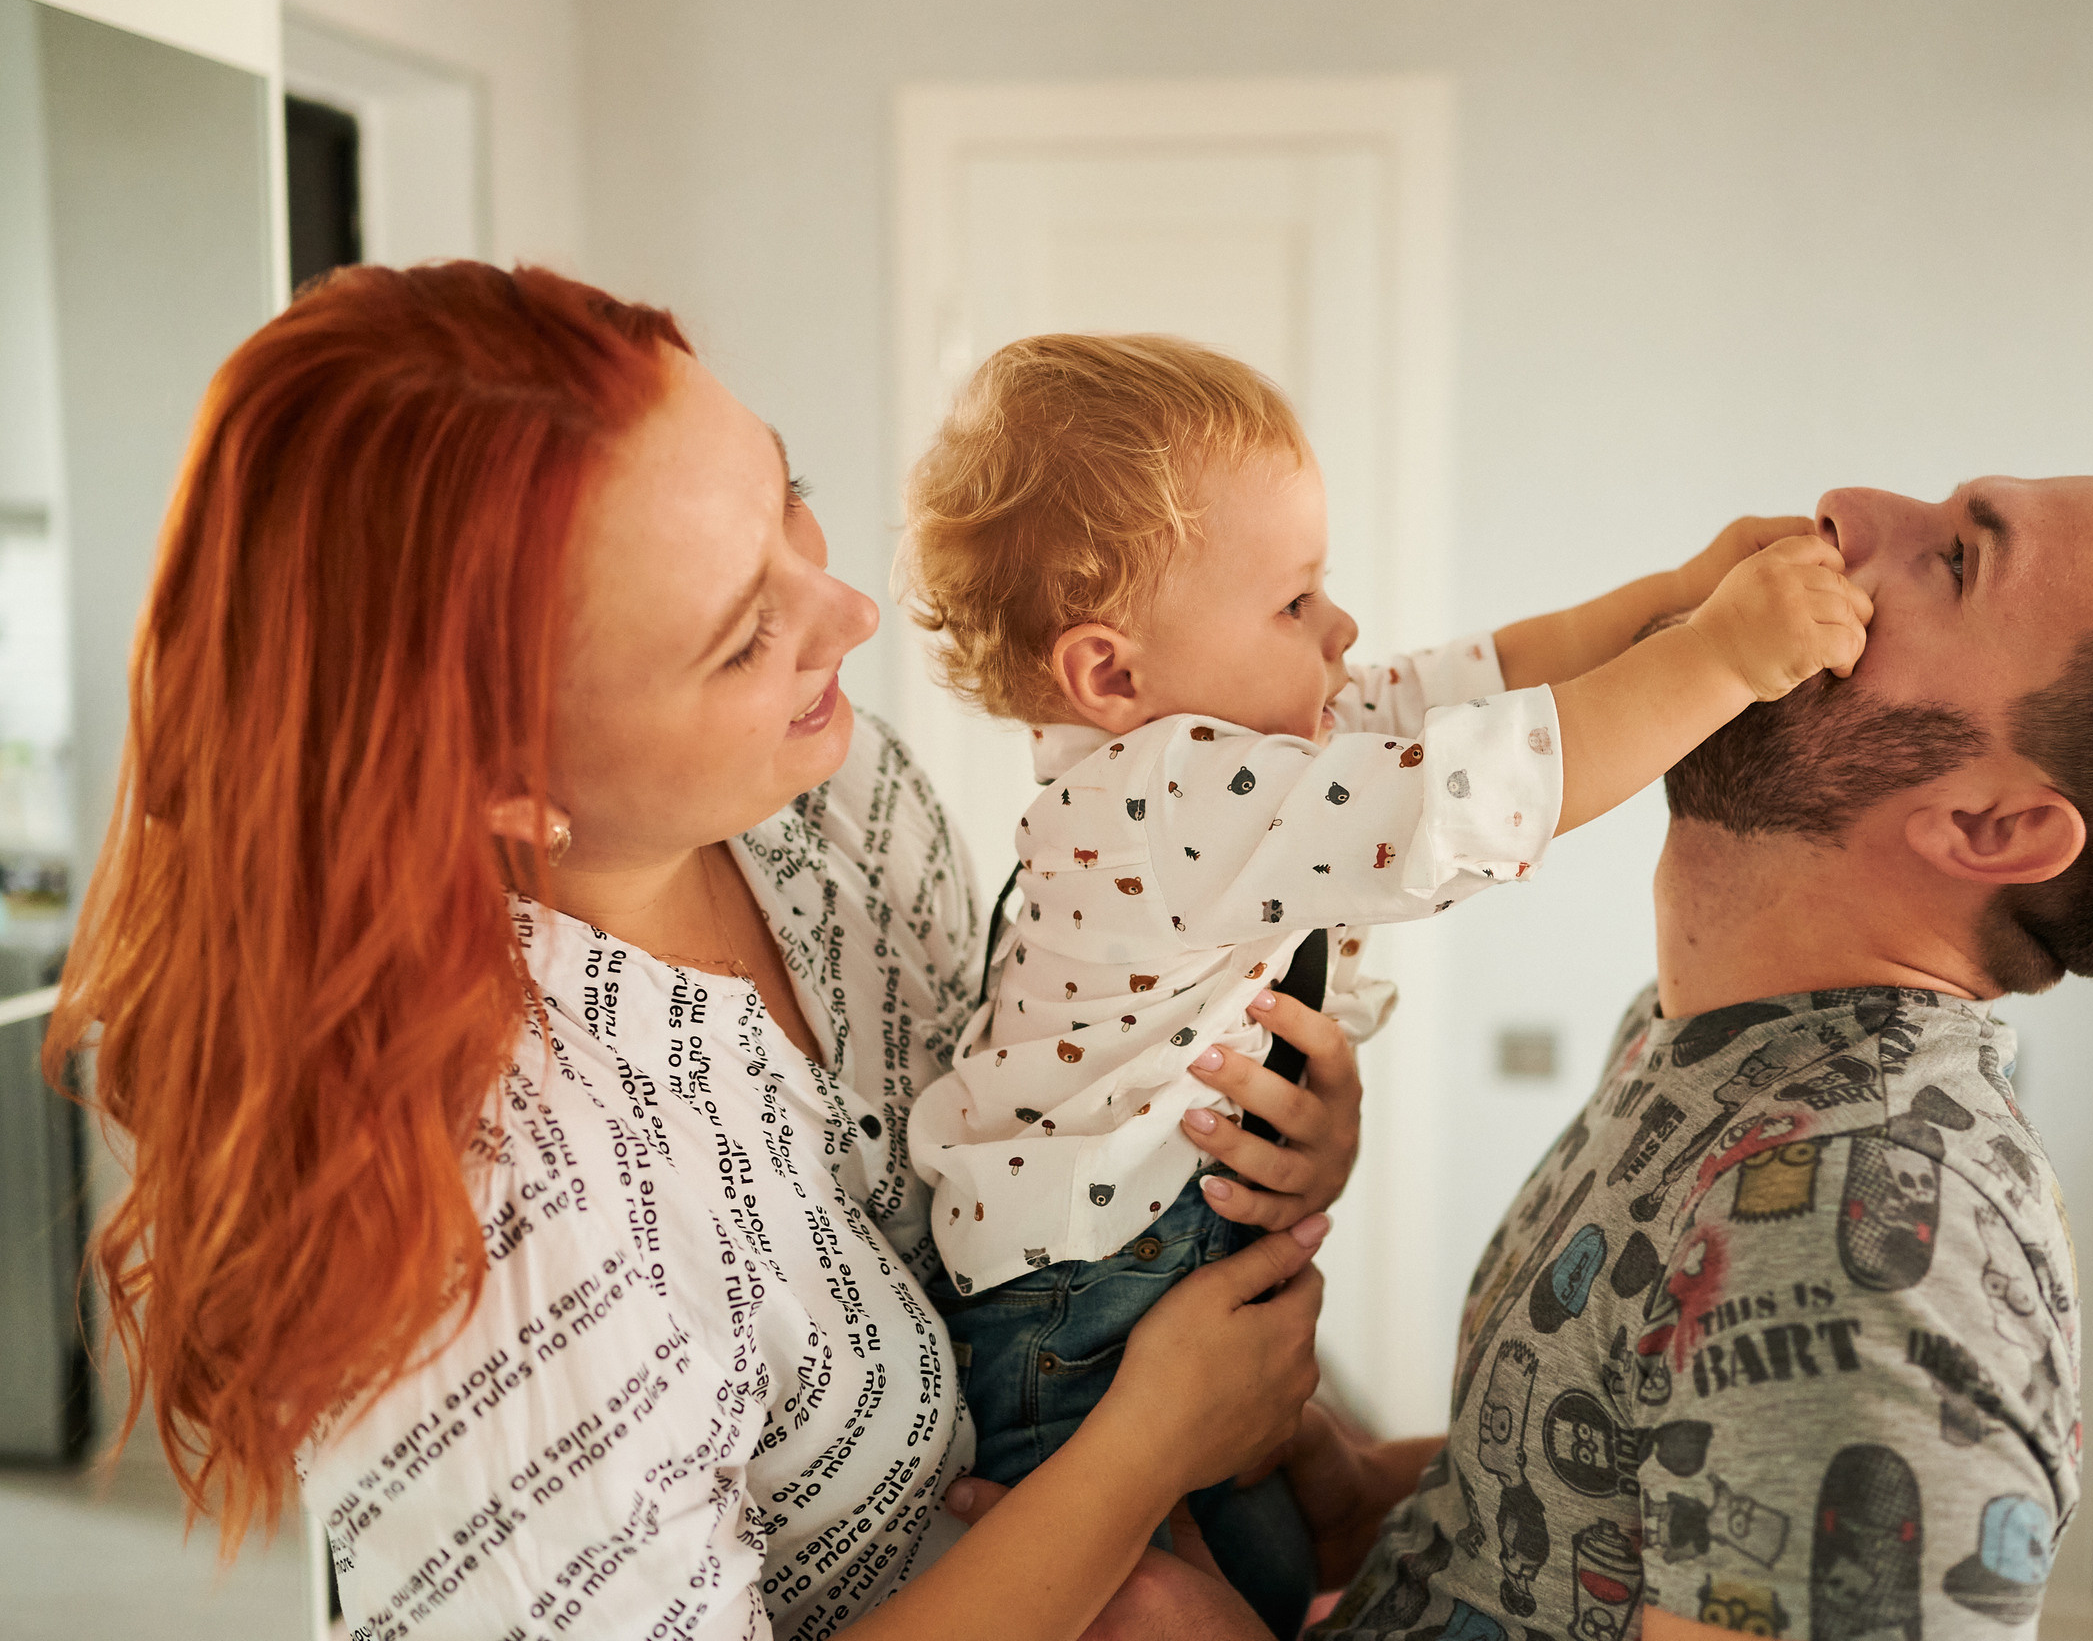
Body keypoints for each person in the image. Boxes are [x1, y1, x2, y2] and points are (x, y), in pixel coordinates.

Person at [44, 263, 1363, 1641]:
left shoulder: (834, 802)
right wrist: (1143, 1454)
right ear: (506, 785)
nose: (850, 613)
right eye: (743, 639)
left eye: (790, 497)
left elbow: (1026, 1104)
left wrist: (1230, 1135)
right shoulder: (498, 1244)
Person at [895, 333, 1871, 1632]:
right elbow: (1474, 795)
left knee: (1267, 1575)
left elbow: (1484, 678)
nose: (1341, 629)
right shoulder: (1165, 794)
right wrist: (1726, 660)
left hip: (1135, 1270)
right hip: (1081, 1318)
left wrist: (1679, 598)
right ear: (1112, 673)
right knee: (1166, 1607)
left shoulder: (1237, 745)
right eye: (1295, 601)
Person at [1290, 461, 2093, 1641]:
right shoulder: (1715, 1043)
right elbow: (1600, 1495)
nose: (1846, 507)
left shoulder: (1871, 1243)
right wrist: (1358, 1492)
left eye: (1957, 561)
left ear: (1989, 826)